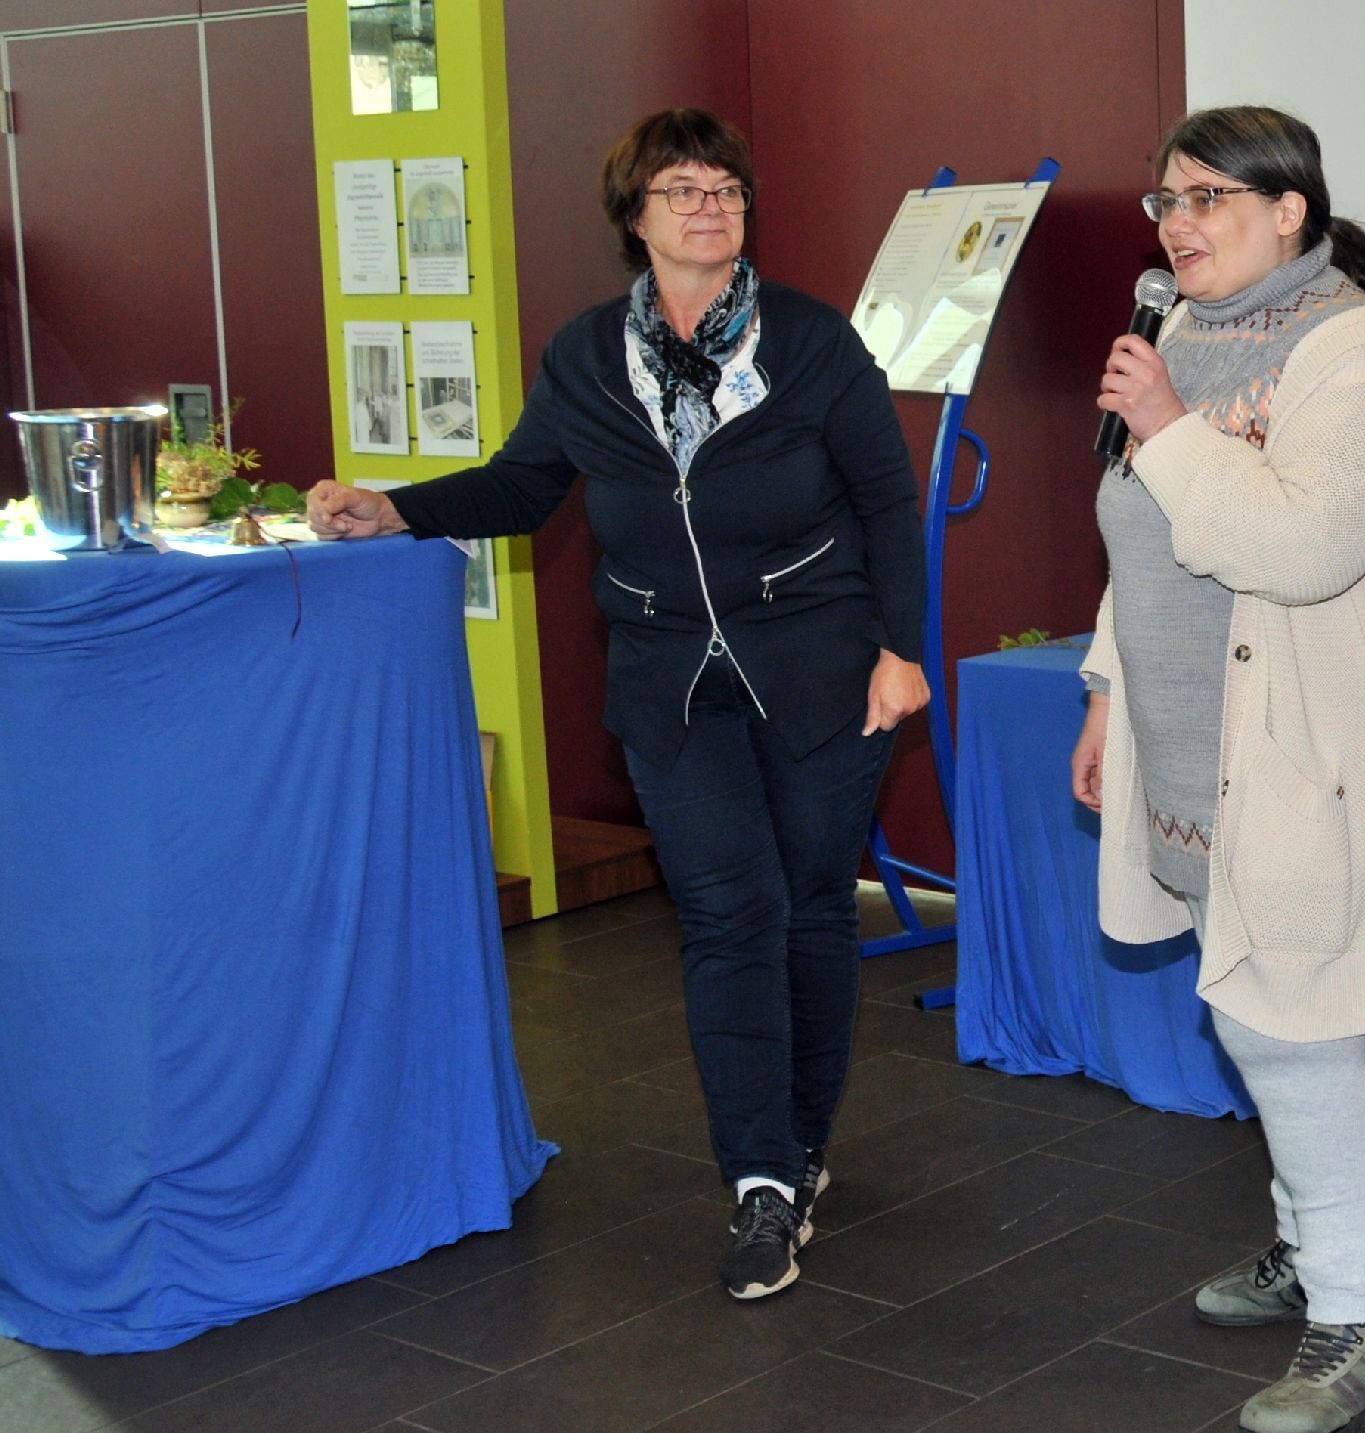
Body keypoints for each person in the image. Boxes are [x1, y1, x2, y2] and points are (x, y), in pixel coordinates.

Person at [308, 108, 928, 1302]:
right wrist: (396, 508)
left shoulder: (812, 341)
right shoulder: (589, 355)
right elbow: (523, 484)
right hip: (667, 680)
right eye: (682, 189)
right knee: (728, 914)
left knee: (810, 908)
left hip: (821, 665)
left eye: (726, 188)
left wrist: (901, 652)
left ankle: (803, 1145)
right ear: (634, 217)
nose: (710, 207)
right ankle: (759, 1181)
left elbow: (887, 505)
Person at [1072, 105, 1365, 1433]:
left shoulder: (1364, 354)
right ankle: (1308, 1236)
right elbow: (1138, 532)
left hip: (1309, 749)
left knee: (1300, 1030)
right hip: (1192, 744)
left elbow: (1303, 546)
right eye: (1165, 200)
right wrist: (1107, 690)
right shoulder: (1183, 331)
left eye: (1209, 199)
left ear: (1291, 210)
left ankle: (1355, 1315)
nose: (1178, 224)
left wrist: (1169, 425)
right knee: (1266, 1015)